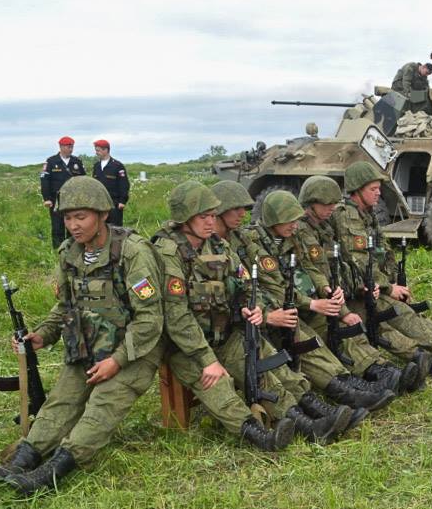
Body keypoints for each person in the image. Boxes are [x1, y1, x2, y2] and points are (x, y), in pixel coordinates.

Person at [0, 176, 165, 495]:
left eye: (81, 217)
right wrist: (42, 335)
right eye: (68, 218)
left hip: (134, 349)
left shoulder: (132, 252)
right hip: (87, 345)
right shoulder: (69, 253)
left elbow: (150, 321)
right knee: (61, 403)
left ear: (102, 214)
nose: (74, 225)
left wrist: (116, 362)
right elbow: (65, 307)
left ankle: (50, 474)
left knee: (101, 407)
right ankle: (16, 465)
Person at [151, 181, 352, 447]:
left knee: (266, 362)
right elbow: (177, 317)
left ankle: (309, 421)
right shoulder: (167, 252)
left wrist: (254, 308)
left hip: (224, 334)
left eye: (212, 215)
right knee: (218, 387)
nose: (211, 222)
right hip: (187, 346)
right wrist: (207, 359)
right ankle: (259, 435)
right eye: (203, 216)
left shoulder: (217, 246)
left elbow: (244, 282)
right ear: (183, 219)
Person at [210, 180, 395, 414]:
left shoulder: (249, 239)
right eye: (235, 209)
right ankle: (328, 395)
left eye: (243, 209)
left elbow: (308, 269)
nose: (241, 215)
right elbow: (267, 286)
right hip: (254, 319)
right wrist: (278, 312)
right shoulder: (240, 243)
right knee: (298, 334)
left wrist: (326, 292)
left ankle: (350, 381)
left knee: (323, 327)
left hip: (273, 310)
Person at [331, 162, 432, 372]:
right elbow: (359, 261)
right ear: (357, 190)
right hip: (357, 291)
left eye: (379, 188)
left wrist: (394, 283)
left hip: (371, 286)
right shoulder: (348, 216)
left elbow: (383, 252)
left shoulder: (367, 214)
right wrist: (390, 289)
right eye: (373, 189)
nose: (378, 194)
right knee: (398, 313)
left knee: (406, 312)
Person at [258, 188, 423, 394]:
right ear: (274, 220)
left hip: (311, 303)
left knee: (344, 328)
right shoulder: (258, 245)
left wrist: (327, 290)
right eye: (289, 220)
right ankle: (349, 385)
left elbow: (310, 267)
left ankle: (379, 370)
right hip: (285, 312)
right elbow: (276, 287)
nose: (294, 224)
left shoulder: (293, 237)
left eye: (295, 220)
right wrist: (314, 303)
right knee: (318, 341)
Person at [40, 136, 86, 249]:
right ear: (61, 147)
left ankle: (74, 248)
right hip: (57, 199)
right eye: (68, 147)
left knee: (73, 225)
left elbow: (84, 180)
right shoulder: (51, 161)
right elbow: (45, 180)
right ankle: (58, 250)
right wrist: (47, 198)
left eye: (72, 147)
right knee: (57, 225)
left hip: (74, 199)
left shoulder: (77, 162)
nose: (70, 149)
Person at [91, 139, 129, 226]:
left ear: (106, 150)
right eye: (96, 150)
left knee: (115, 228)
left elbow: (124, 184)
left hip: (114, 203)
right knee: (100, 227)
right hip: (99, 203)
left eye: (98, 150)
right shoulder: (96, 166)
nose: (96, 153)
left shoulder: (117, 166)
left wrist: (122, 201)